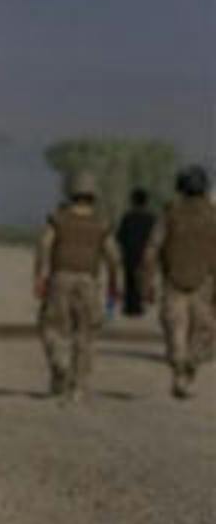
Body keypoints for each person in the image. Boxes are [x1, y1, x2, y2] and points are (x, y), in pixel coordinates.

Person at [34, 169, 122, 403]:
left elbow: (44, 246)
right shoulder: (101, 224)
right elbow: (113, 257)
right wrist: (114, 284)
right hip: (89, 282)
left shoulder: (58, 219)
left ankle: (59, 363)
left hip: (60, 279)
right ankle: (77, 387)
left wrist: (39, 277)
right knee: (86, 334)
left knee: (50, 327)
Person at [144, 163, 216, 398]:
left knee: (175, 332)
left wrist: (147, 281)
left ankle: (180, 372)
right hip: (205, 284)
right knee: (204, 333)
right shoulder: (212, 215)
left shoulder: (169, 214)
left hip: (173, 282)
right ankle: (187, 369)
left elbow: (152, 249)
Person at [116, 188, 160, 317]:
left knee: (130, 281)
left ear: (133, 201)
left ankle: (130, 306)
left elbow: (120, 237)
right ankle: (141, 303)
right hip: (146, 255)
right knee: (144, 280)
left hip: (130, 255)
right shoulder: (151, 218)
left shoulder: (127, 217)